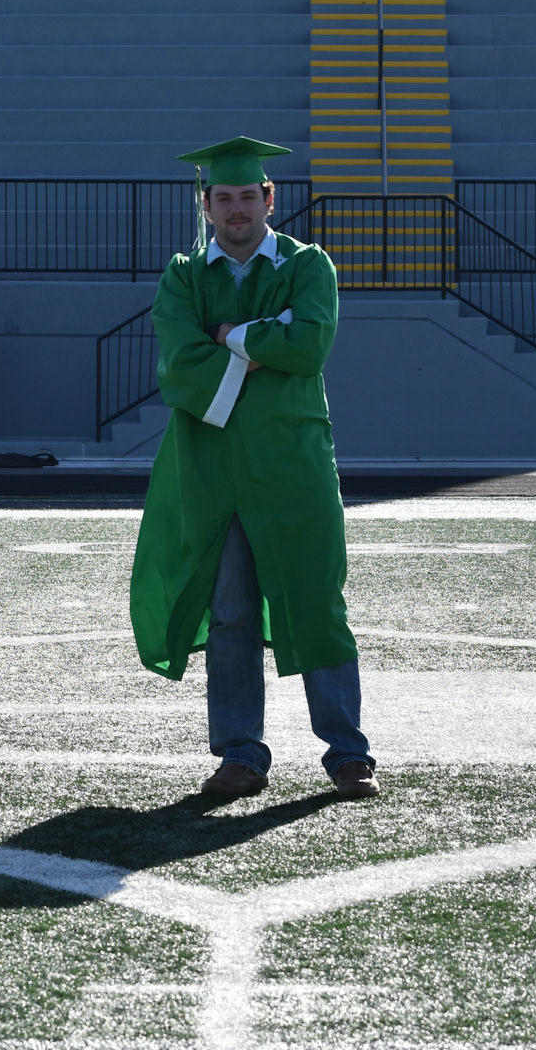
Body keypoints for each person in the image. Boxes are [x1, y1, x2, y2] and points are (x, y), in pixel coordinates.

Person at [129, 135, 378, 803]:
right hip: (211, 467)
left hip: (293, 460)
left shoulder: (306, 265)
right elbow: (180, 367)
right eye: (224, 198)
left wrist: (230, 336)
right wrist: (267, 338)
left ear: (270, 198)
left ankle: (347, 752)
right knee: (230, 612)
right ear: (206, 204)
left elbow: (309, 346)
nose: (236, 208)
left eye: (248, 195)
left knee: (316, 600)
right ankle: (240, 754)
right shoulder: (185, 277)